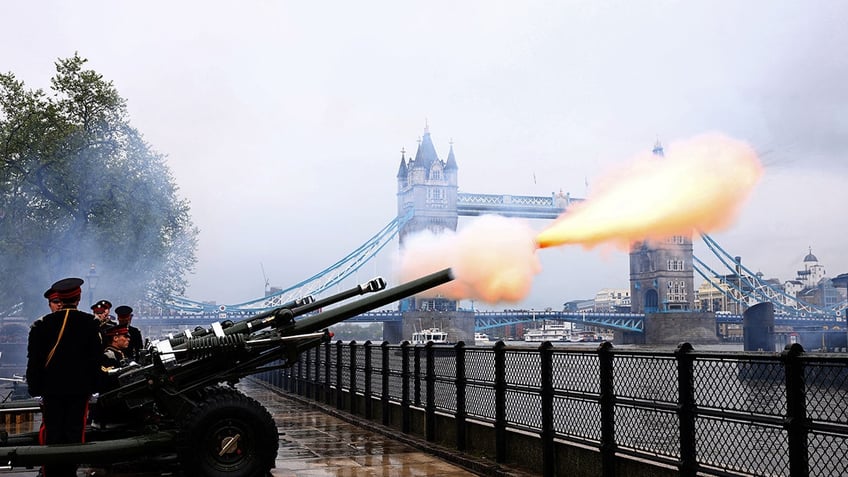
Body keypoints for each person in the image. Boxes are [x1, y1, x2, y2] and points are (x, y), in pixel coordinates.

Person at [26, 277, 103, 477]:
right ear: (78, 298)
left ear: (59, 298)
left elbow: (34, 362)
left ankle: (52, 472)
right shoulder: (90, 323)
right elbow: (95, 360)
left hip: (51, 391)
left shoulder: (41, 325)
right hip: (79, 390)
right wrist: (95, 387)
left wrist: (35, 389)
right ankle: (69, 472)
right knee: (74, 434)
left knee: (53, 434)